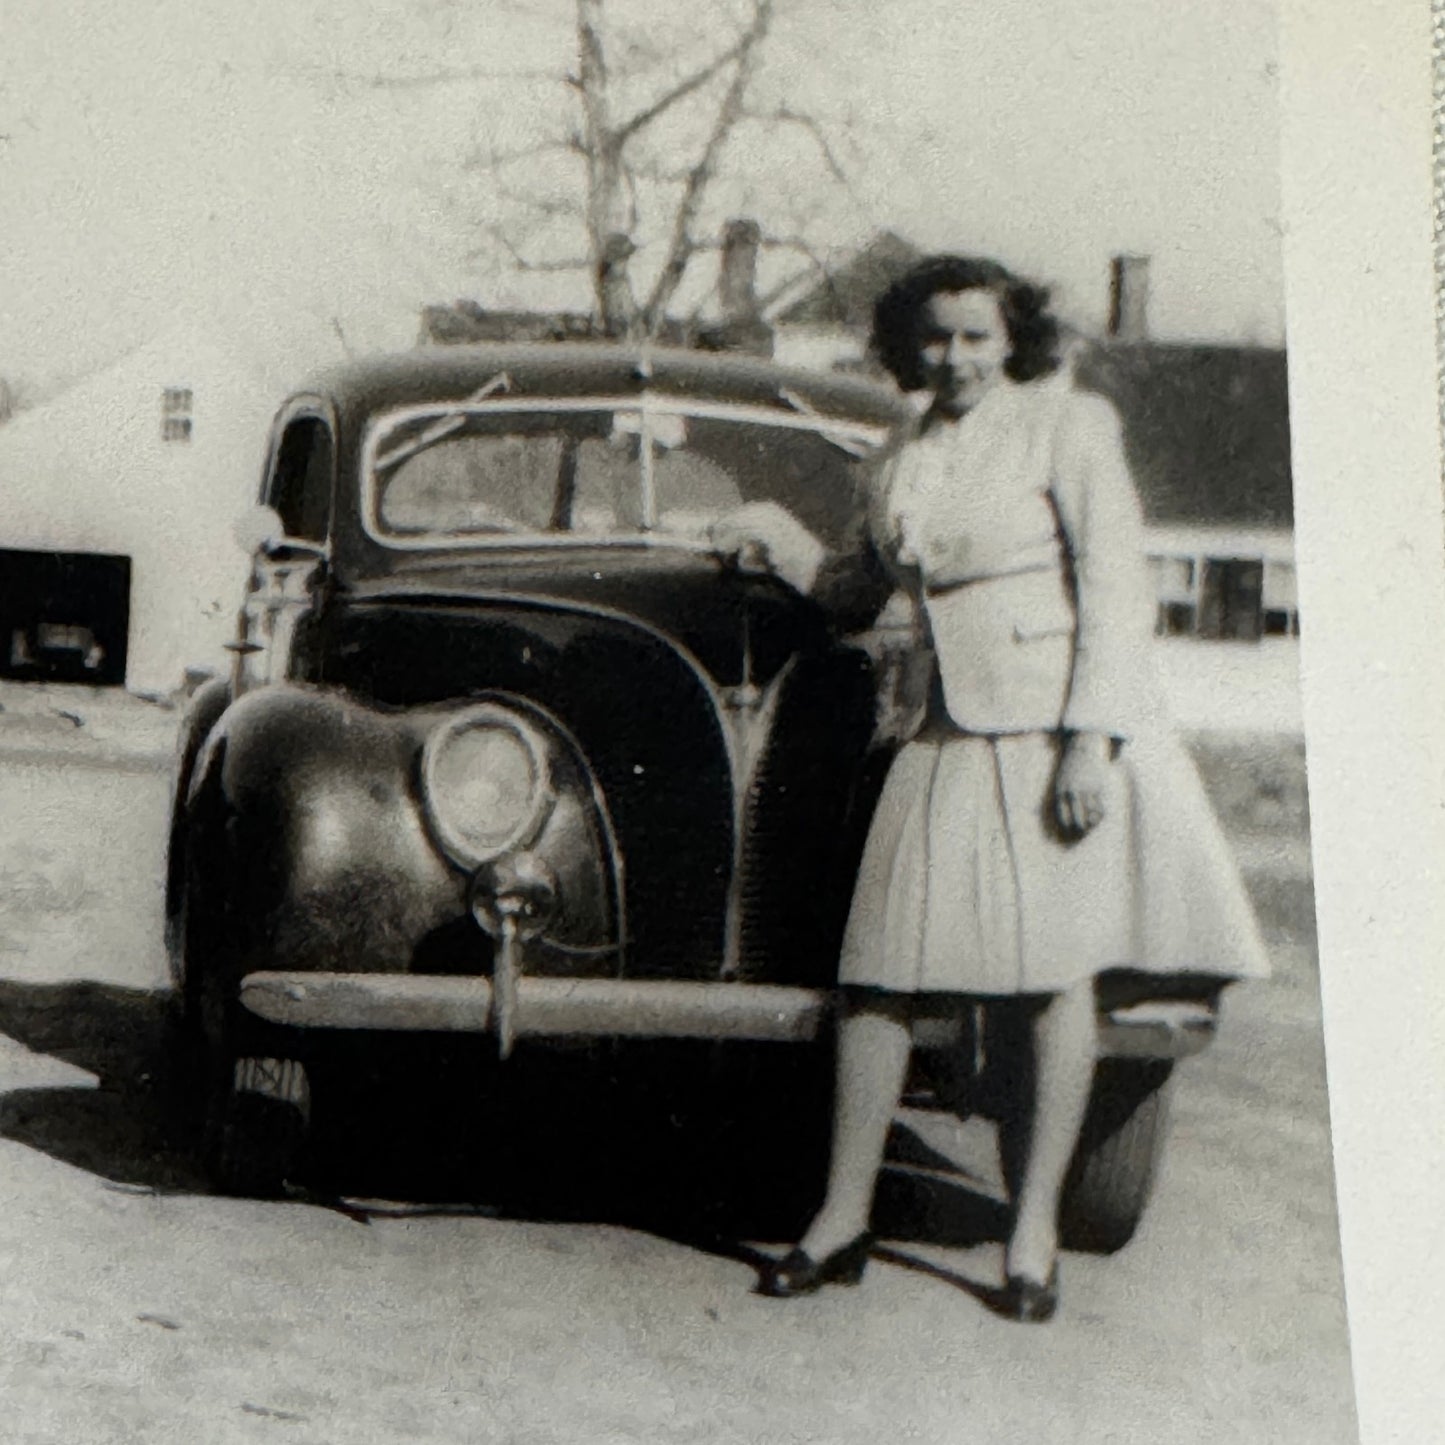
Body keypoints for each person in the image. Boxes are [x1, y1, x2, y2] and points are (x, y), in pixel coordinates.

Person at [755, 255, 1270, 1319]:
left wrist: (1090, 739)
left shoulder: (1067, 426)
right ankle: (839, 1218)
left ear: (1011, 341)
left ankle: (1029, 1234)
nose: (954, 357)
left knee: (1049, 984)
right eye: (936, 338)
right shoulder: (900, 449)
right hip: (937, 728)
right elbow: (858, 588)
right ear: (910, 344)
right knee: (877, 978)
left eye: (976, 337)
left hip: (1044, 736)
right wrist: (772, 541)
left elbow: (1115, 587)